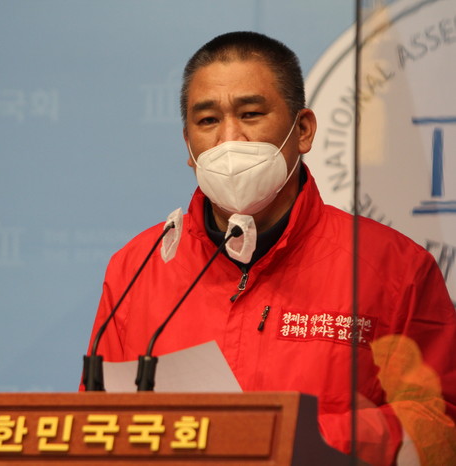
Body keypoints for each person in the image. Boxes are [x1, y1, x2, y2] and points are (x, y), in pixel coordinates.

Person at [84, 31, 456, 465]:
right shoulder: (137, 266)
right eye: (208, 121)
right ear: (188, 145)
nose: (230, 139)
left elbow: (440, 422)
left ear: (303, 130)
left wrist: (290, 438)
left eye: (251, 114)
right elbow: (94, 423)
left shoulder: (392, 268)